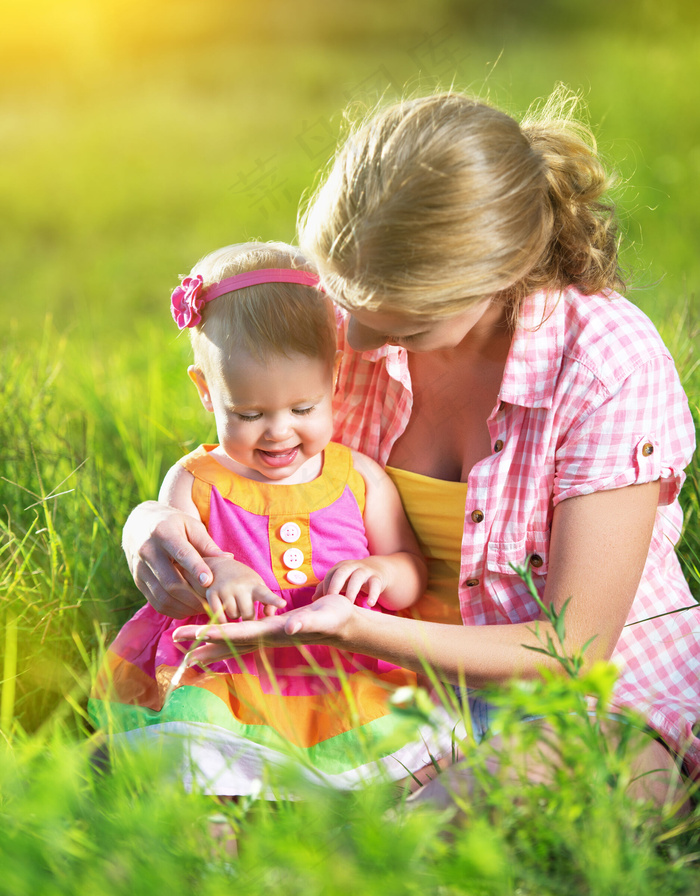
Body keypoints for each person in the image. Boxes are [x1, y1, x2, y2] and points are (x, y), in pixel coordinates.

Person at [123, 91, 699, 808]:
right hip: (378, 684)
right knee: (134, 777)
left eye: (401, 327)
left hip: (574, 695)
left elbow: (571, 655)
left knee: (477, 813)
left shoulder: (605, 363)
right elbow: (248, 453)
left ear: (495, 279)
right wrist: (148, 524)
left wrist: (359, 627)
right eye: (347, 304)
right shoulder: (358, 304)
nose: (355, 344)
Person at [90, 241, 461, 796]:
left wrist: (380, 573)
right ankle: (217, 817)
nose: (278, 431)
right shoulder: (196, 480)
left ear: (335, 382)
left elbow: (411, 567)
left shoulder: (357, 478)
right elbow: (171, 574)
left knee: (394, 741)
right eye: (249, 414)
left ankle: (349, 801)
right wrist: (214, 575)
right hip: (229, 671)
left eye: (303, 409)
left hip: (341, 665)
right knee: (197, 741)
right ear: (205, 391)